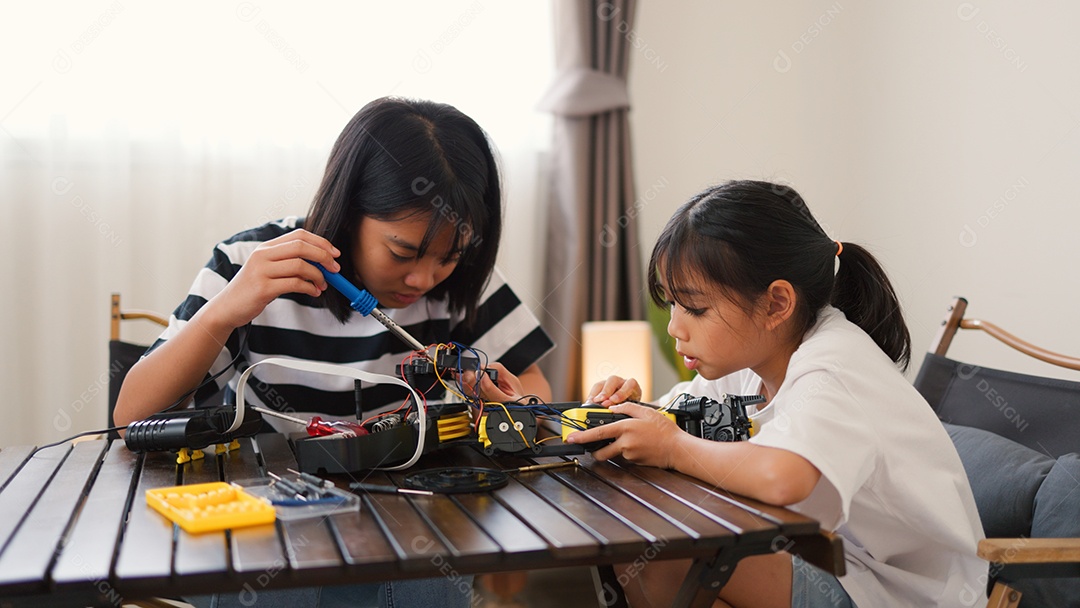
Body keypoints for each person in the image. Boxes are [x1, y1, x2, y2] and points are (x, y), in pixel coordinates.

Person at [115, 97, 554, 608]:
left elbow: (533, 393)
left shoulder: (464, 286)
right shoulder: (248, 263)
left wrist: (500, 402)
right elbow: (131, 417)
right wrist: (223, 311)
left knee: (426, 574)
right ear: (348, 214)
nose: (423, 279)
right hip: (271, 528)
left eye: (448, 257)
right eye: (402, 252)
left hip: (407, 529)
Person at [568, 180, 984, 608]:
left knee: (665, 555)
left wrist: (671, 446)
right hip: (831, 561)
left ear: (775, 305)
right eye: (671, 303)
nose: (675, 326)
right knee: (655, 544)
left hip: (899, 592)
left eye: (695, 308)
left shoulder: (834, 365)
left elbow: (782, 477)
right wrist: (634, 410)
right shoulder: (748, 362)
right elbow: (678, 419)